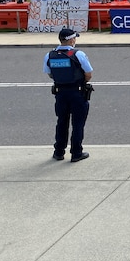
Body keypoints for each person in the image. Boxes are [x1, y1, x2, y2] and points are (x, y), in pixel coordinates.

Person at [44, 28, 93, 162]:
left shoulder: (50, 55)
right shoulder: (78, 54)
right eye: (74, 38)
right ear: (71, 40)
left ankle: (59, 151)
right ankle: (76, 153)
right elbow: (88, 74)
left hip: (60, 93)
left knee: (61, 122)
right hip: (77, 92)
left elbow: (49, 74)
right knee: (77, 124)